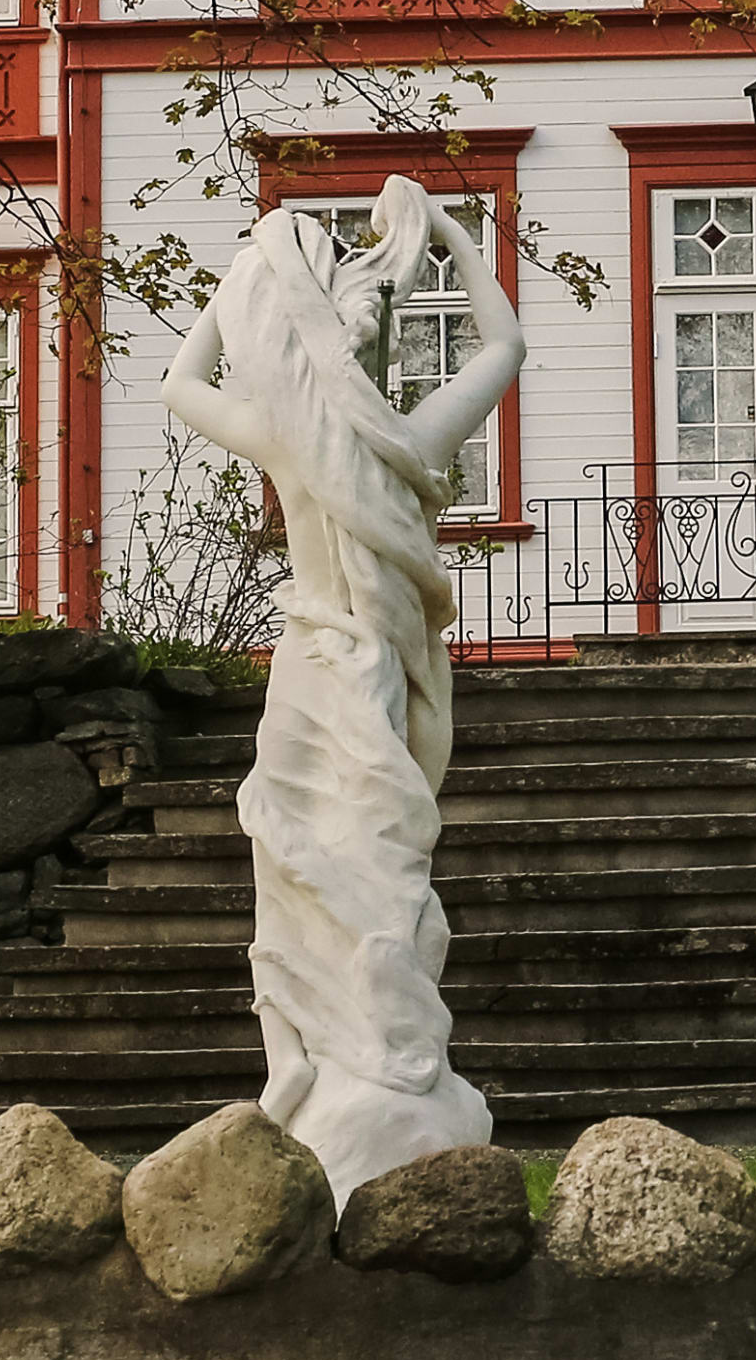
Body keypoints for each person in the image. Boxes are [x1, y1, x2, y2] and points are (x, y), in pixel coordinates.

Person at [157, 175, 521, 1194]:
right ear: (376, 348)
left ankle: (317, 1058)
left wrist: (250, 273)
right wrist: (449, 233)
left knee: (305, 864)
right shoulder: (413, 439)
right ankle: (356, 1060)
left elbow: (180, 382)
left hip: (312, 671)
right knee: (363, 866)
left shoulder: (285, 433)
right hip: (367, 677)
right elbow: (504, 346)